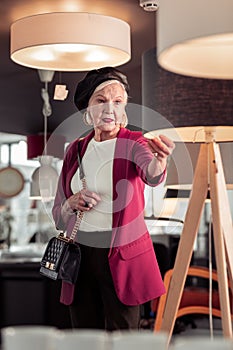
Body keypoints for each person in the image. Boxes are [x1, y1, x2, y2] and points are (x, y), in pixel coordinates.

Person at [52, 66, 175, 331]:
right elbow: (58, 213)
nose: (110, 109)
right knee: (84, 333)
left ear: (124, 109)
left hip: (121, 255)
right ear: (87, 109)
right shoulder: (76, 149)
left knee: (124, 334)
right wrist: (70, 203)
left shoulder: (135, 142)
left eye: (118, 102)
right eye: (101, 100)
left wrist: (160, 160)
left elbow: (151, 173)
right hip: (80, 253)